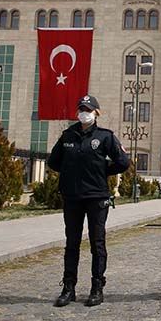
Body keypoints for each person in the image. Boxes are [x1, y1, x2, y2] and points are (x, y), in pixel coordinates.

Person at [48, 94, 130, 307]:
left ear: (96, 113)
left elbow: (123, 162)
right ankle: (68, 288)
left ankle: (97, 287)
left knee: (97, 242)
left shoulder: (105, 137)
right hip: (72, 196)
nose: (84, 113)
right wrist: (72, 171)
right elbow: (54, 161)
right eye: (82, 109)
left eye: (88, 110)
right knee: (71, 243)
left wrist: (102, 170)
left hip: (96, 197)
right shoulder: (67, 135)